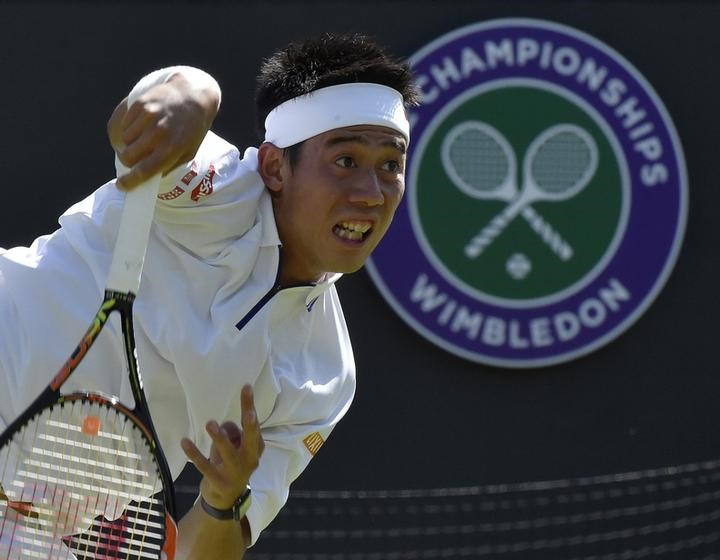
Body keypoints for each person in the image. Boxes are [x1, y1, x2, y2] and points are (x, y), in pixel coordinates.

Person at [0, 32, 419, 558]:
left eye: (390, 165)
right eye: (345, 161)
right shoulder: (220, 191)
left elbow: (204, 551)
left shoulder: (323, 377)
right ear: (273, 168)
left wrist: (223, 498)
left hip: (31, 534)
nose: (371, 192)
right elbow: (157, 118)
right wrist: (193, 92)